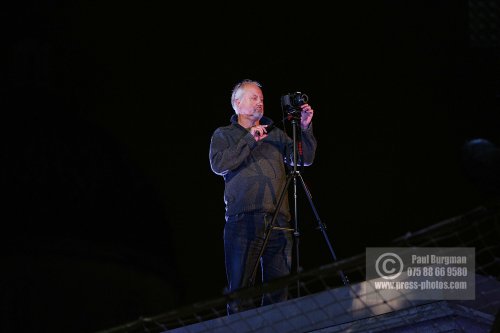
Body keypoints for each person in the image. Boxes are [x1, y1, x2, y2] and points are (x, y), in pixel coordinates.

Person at [208, 79, 317, 314]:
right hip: (243, 220)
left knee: (278, 295)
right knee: (241, 293)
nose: (259, 103)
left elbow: (303, 159)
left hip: (279, 219)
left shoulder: (275, 134)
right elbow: (219, 164)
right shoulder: (224, 134)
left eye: (262, 99)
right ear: (237, 104)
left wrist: (305, 129)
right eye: (253, 98)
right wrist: (249, 139)